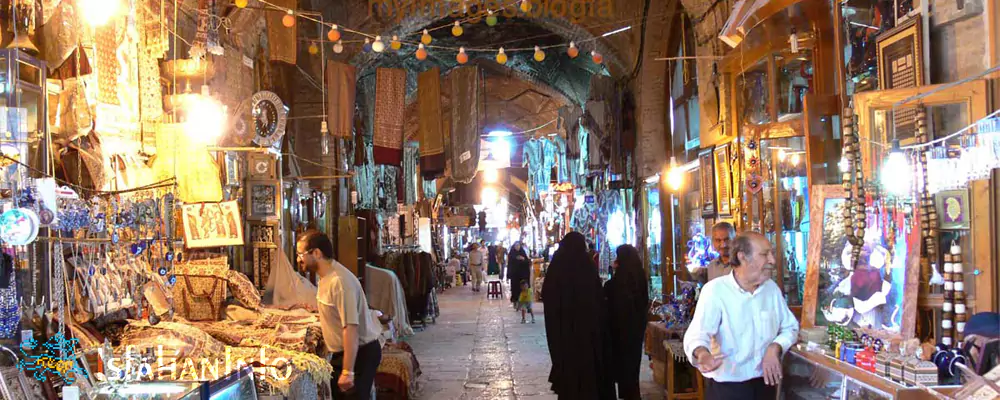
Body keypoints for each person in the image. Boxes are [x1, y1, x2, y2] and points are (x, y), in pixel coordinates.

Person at [683, 232, 799, 400]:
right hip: (729, 390)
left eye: (771, 254)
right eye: (765, 254)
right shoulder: (715, 291)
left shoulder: (771, 289)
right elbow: (696, 336)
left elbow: (791, 327)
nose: (772, 260)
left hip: (766, 386)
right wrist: (702, 354)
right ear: (743, 257)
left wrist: (775, 347)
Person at [296, 231, 383, 400]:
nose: (299, 259)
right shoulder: (325, 278)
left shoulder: (339, 282)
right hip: (346, 353)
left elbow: (350, 328)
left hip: (358, 355)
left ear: (316, 253)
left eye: (301, 254)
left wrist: (347, 371)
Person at [543, 232, 615, 400]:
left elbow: (548, 296)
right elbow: (597, 299)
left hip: (564, 335)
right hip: (588, 334)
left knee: (570, 371)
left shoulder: (557, 265)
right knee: (588, 369)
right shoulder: (586, 265)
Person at [604, 245, 649, 400]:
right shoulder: (639, 275)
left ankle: (626, 393)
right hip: (635, 329)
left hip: (619, 331)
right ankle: (631, 394)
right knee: (632, 365)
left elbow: (611, 300)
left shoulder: (617, 281)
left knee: (622, 364)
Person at [507, 241, 531, 308]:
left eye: (518, 246)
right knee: (515, 288)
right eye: (516, 246)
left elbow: (527, 262)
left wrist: (523, 259)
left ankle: (523, 302)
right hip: (514, 275)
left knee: (523, 288)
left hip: (522, 274)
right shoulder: (511, 254)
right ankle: (515, 301)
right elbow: (509, 265)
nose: (517, 247)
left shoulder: (523, 253)